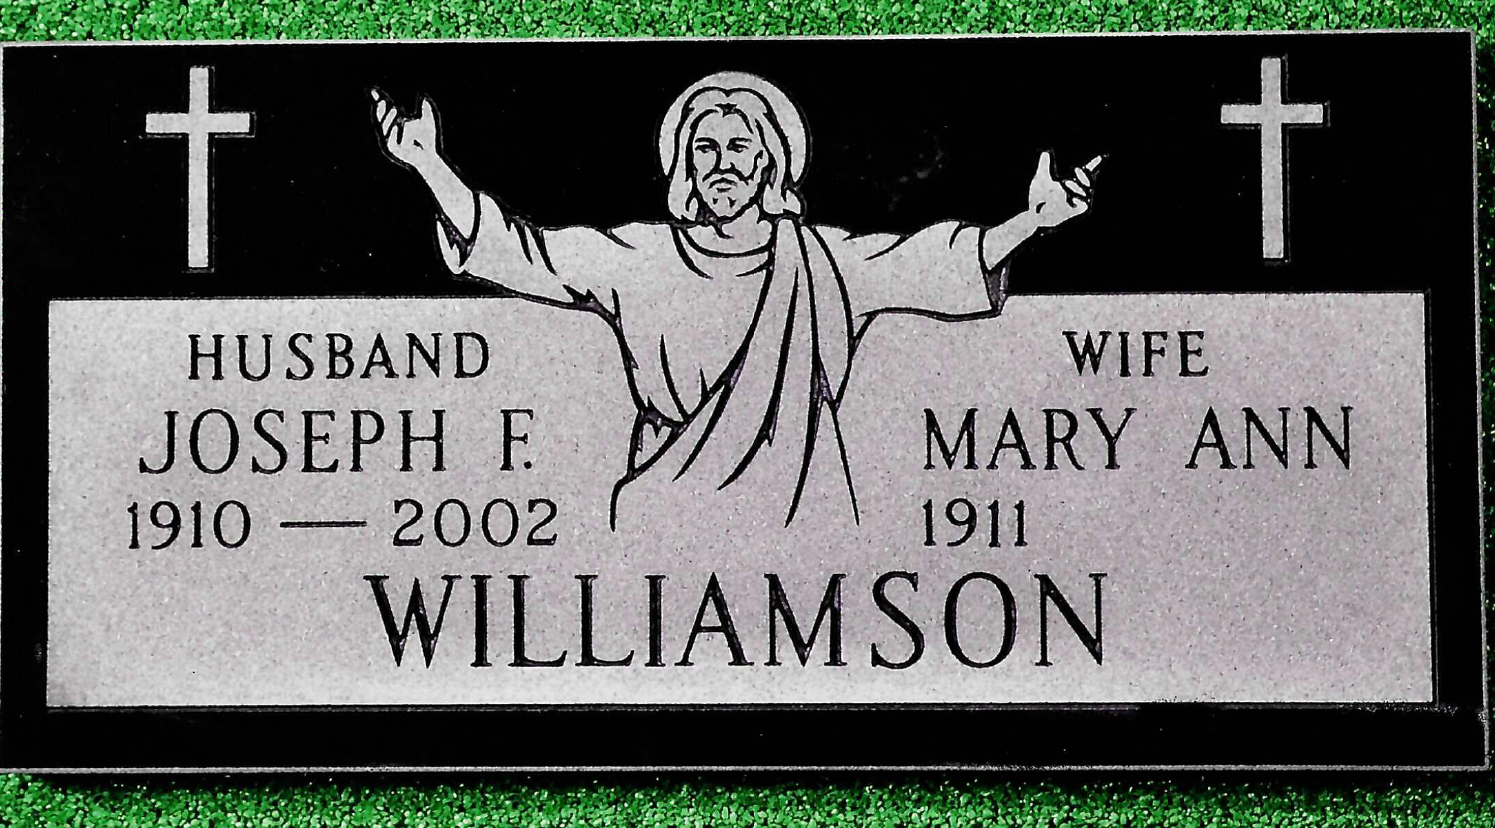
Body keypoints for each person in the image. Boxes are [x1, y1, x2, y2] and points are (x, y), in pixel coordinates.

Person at [371, 71, 1099, 530]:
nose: (723, 165)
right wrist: (428, 165)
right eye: (706, 150)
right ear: (684, 166)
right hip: (666, 500)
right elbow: (517, 251)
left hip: (800, 504)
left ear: (769, 163)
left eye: (739, 148)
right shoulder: (643, 256)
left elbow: (932, 262)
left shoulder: (822, 260)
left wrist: (1031, 222)